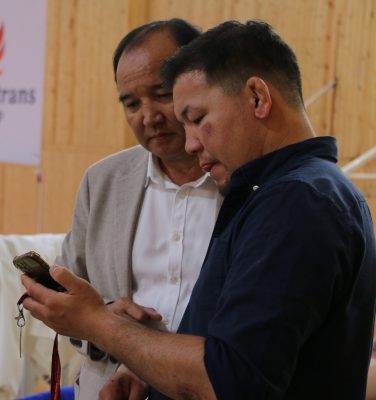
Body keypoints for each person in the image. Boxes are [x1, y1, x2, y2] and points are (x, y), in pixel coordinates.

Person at [21, 20, 376, 399]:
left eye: (197, 118)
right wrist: (144, 367)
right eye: (131, 103)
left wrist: (99, 322)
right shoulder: (282, 190)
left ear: (257, 97)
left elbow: (231, 378)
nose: (190, 142)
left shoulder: (297, 201)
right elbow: (233, 344)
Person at [56, 19, 222, 398]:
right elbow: (67, 295)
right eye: (131, 104)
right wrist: (103, 321)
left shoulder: (246, 179)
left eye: (162, 94)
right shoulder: (102, 181)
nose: (148, 117)